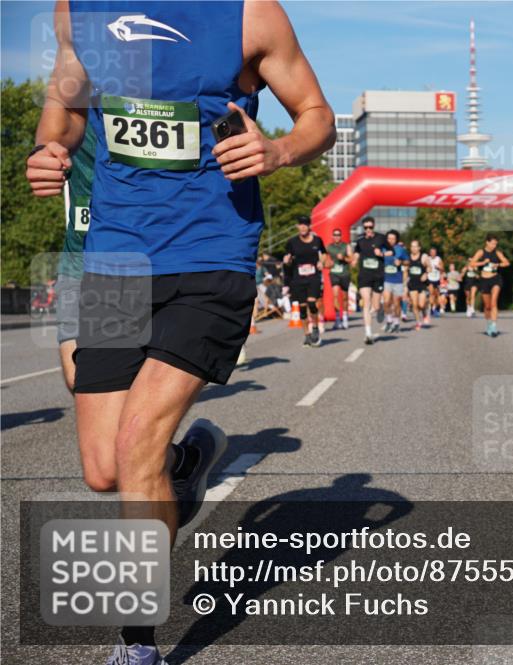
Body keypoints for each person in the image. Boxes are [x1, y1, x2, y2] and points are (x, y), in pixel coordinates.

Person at [25, 3, 336, 663]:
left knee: (137, 443)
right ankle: (184, 467)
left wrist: (278, 149)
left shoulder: (250, 15)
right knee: (104, 469)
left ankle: (136, 645)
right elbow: (68, 101)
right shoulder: (79, 10)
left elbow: (318, 116)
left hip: (211, 256)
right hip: (115, 260)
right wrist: (52, 146)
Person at [53, 123, 95, 393]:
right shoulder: (75, 124)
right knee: (76, 381)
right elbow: (49, 146)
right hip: (77, 261)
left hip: (132, 263)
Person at [285, 216, 326, 347]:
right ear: (297, 227)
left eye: (305, 224)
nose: (303, 227)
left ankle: (315, 328)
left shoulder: (317, 240)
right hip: (298, 279)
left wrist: (321, 261)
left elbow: (324, 253)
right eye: (300, 224)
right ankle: (307, 335)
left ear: (309, 226)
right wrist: (287, 261)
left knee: (312, 303)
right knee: (302, 308)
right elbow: (288, 258)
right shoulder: (292, 242)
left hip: (313, 277)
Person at [352, 217, 388, 344]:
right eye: (365, 227)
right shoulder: (360, 241)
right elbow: (357, 252)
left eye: (370, 227)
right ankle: (368, 333)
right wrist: (354, 259)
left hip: (378, 275)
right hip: (364, 275)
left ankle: (380, 308)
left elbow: (391, 251)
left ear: (374, 226)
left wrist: (382, 254)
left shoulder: (381, 238)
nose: (368, 229)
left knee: (375, 306)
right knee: (366, 301)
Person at [470, 235, 510, 337]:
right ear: (487, 242)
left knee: (493, 303)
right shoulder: (481, 252)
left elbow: (506, 263)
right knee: (487, 306)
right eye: (492, 243)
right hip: (484, 280)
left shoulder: (497, 253)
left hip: (495, 279)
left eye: (496, 244)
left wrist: (498, 265)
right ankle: (488, 324)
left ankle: (494, 326)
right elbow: (472, 264)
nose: (494, 246)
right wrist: (483, 262)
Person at [324, 227, 353, 329]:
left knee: (345, 297)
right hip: (334, 273)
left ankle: (345, 318)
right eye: (335, 235)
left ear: (341, 236)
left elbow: (351, 259)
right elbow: (323, 258)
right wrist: (327, 263)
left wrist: (344, 258)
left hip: (345, 273)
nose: (337, 237)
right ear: (332, 236)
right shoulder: (329, 247)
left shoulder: (346, 246)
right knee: (335, 295)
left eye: (338, 235)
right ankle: (337, 319)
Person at [381, 229, 406, 333]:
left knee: (396, 303)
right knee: (386, 301)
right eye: (389, 238)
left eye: (393, 239)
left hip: (397, 280)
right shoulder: (382, 249)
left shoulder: (400, 249)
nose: (390, 240)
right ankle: (389, 321)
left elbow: (408, 261)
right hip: (386, 279)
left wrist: (401, 262)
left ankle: (396, 323)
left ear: (396, 240)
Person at [405, 239, 430, 330]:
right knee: (414, 305)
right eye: (412, 246)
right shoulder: (408, 257)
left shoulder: (423, 257)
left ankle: (424, 313)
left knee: (421, 305)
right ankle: (418, 322)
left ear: (419, 248)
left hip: (422, 284)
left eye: (415, 246)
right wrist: (404, 284)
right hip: (412, 284)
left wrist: (426, 274)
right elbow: (405, 271)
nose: (413, 248)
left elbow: (429, 267)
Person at [426, 246, 444, 320]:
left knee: (436, 295)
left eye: (434, 252)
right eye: (431, 252)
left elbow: (442, 269)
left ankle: (435, 308)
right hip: (430, 278)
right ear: (430, 253)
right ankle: (431, 309)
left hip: (437, 279)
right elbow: (424, 267)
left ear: (436, 253)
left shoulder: (438, 259)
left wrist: (439, 268)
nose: (433, 253)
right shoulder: (428, 259)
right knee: (431, 293)